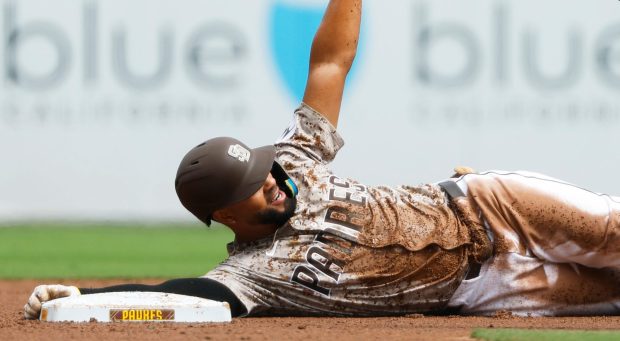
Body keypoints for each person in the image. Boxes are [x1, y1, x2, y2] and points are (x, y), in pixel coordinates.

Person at [24, 0, 620, 319]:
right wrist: (81, 297)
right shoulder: (250, 278)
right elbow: (176, 295)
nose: (271, 184)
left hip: (488, 209)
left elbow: (330, 63)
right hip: (486, 288)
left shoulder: (294, 160)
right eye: (252, 188)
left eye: (263, 171)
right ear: (222, 215)